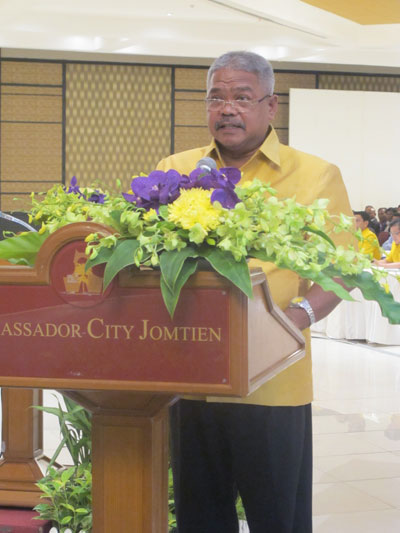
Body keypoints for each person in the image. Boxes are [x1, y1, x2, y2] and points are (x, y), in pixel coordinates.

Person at [157, 51, 353, 533]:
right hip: (193, 379)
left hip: (273, 381)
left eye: (242, 98)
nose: (227, 109)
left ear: (271, 106)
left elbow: (342, 270)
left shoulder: (316, 174)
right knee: (199, 518)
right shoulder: (176, 169)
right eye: (216, 98)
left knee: (278, 518)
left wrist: (295, 319)